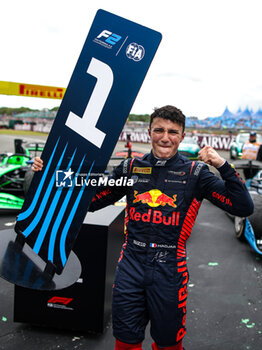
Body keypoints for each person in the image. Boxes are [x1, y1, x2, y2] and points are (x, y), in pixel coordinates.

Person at [32, 105, 253, 350]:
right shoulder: (130, 168)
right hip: (131, 264)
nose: (165, 137)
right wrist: (46, 176)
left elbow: (242, 206)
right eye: (159, 130)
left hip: (170, 269)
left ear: (182, 136)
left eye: (173, 131)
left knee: (169, 342)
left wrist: (222, 165)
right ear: (149, 132)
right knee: (126, 339)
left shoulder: (196, 173)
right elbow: (90, 201)